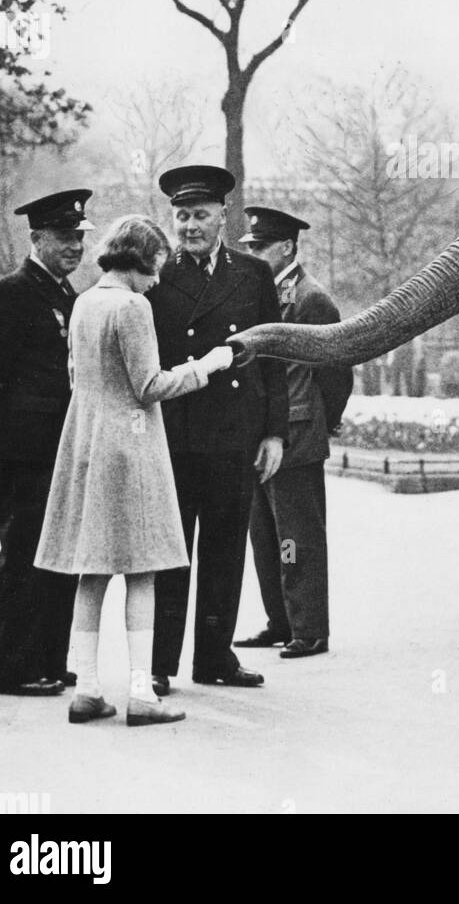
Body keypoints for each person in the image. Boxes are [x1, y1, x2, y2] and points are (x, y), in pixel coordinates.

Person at [34, 216, 234, 726]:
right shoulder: (131, 305)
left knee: (93, 571)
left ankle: (87, 689)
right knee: (144, 569)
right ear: (141, 259)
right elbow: (149, 386)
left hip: (86, 445)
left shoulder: (83, 301)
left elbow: (81, 377)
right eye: (156, 268)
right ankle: (142, 693)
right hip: (131, 448)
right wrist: (207, 365)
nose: (158, 280)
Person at [148, 166, 289, 694]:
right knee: (171, 552)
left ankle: (214, 657)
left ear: (222, 216)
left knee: (226, 550)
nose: (189, 226)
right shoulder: (156, 274)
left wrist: (274, 432)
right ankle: (160, 662)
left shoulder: (252, 274)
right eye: (181, 216)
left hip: (235, 435)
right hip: (176, 436)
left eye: (200, 215)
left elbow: (271, 356)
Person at [0, 189, 94, 697]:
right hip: (28, 457)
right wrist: (4, 439)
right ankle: (11, 669)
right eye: (63, 237)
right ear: (37, 237)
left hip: (63, 452)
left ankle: (49, 662)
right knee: (23, 559)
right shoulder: (10, 292)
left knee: (60, 558)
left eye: (78, 237)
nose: (73, 247)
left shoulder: (68, 297)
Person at [234, 207, 353, 659]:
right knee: (265, 536)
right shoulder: (263, 294)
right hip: (263, 434)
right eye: (252, 247)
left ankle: (310, 629)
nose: (255, 255)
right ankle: (280, 622)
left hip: (298, 436)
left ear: (286, 247)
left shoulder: (310, 299)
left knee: (297, 537)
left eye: (262, 247)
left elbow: (338, 368)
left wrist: (323, 419)